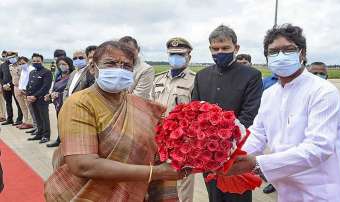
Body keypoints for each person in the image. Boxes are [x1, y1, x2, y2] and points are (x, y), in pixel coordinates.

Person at [225, 24, 340, 202]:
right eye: (273, 52)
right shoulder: (270, 94)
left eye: (288, 50)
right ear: (267, 57)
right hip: (287, 190)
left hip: (324, 191)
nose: (280, 56)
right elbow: (257, 133)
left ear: (302, 53)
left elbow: (319, 148)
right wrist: (230, 157)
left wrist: (257, 164)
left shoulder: (323, 92)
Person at [44, 40, 185, 202]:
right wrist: (157, 172)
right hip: (83, 194)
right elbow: (83, 164)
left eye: (126, 66)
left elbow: (157, 149)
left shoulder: (141, 107)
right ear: (92, 68)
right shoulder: (79, 103)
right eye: (110, 63)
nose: (119, 69)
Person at [192, 25, 263, 202]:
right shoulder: (202, 76)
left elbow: (250, 113)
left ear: (236, 48)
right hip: (208, 152)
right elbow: (194, 110)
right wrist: (206, 143)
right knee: (214, 195)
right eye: (215, 49)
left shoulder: (251, 75)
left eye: (225, 48)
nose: (220, 52)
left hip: (237, 151)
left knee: (237, 195)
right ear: (210, 49)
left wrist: (227, 143)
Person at [153, 37, 196, 202]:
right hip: (159, 137)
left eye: (180, 54)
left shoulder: (195, 80)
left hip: (183, 139)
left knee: (183, 181)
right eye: (172, 54)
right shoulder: (159, 79)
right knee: (159, 178)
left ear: (188, 57)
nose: (175, 57)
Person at [46, 57, 74, 148]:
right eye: (60, 64)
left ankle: (68, 142)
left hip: (68, 103)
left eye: (64, 64)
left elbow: (70, 91)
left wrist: (59, 94)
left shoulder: (72, 76)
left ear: (69, 65)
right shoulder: (58, 76)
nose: (62, 66)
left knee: (68, 124)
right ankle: (59, 139)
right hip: (58, 104)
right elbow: (54, 88)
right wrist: (50, 95)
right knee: (60, 122)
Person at [27, 53, 52, 144]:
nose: (36, 62)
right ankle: (39, 133)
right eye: (34, 61)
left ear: (42, 61)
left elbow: (46, 87)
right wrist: (28, 95)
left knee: (44, 117)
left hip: (42, 99)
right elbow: (29, 85)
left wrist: (35, 96)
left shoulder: (47, 72)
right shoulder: (32, 72)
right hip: (32, 99)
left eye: (38, 61)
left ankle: (46, 135)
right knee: (37, 117)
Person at [0, 51, 23, 125]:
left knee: (18, 103)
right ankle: (10, 119)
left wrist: (9, 84)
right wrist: (3, 84)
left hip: (14, 86)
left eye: (12, 57)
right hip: (5, 87)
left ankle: (19, 119)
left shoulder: (17, 65)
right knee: (8, 103)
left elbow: (17, 77)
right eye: (8, 57)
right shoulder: (2, 65)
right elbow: (1, 76)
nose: (9, 58)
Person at [14, 57, 33, 129]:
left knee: (30, 107)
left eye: (23, 63)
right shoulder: (23, 70)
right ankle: (25, 121)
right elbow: (22, 80)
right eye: (20, 64)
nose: (22, 65)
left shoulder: (31, 69)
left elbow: (31, 81)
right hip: (21, 91)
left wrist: (26, 90)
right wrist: (20, 89)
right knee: (23, 107)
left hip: (28, 92)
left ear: (28, 62)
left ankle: (30, 123)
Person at [0, 51, 7, 122]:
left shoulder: (1, 64)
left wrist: (1, 85)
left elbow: (1, 76)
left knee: (1, 101)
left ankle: (2, 116)